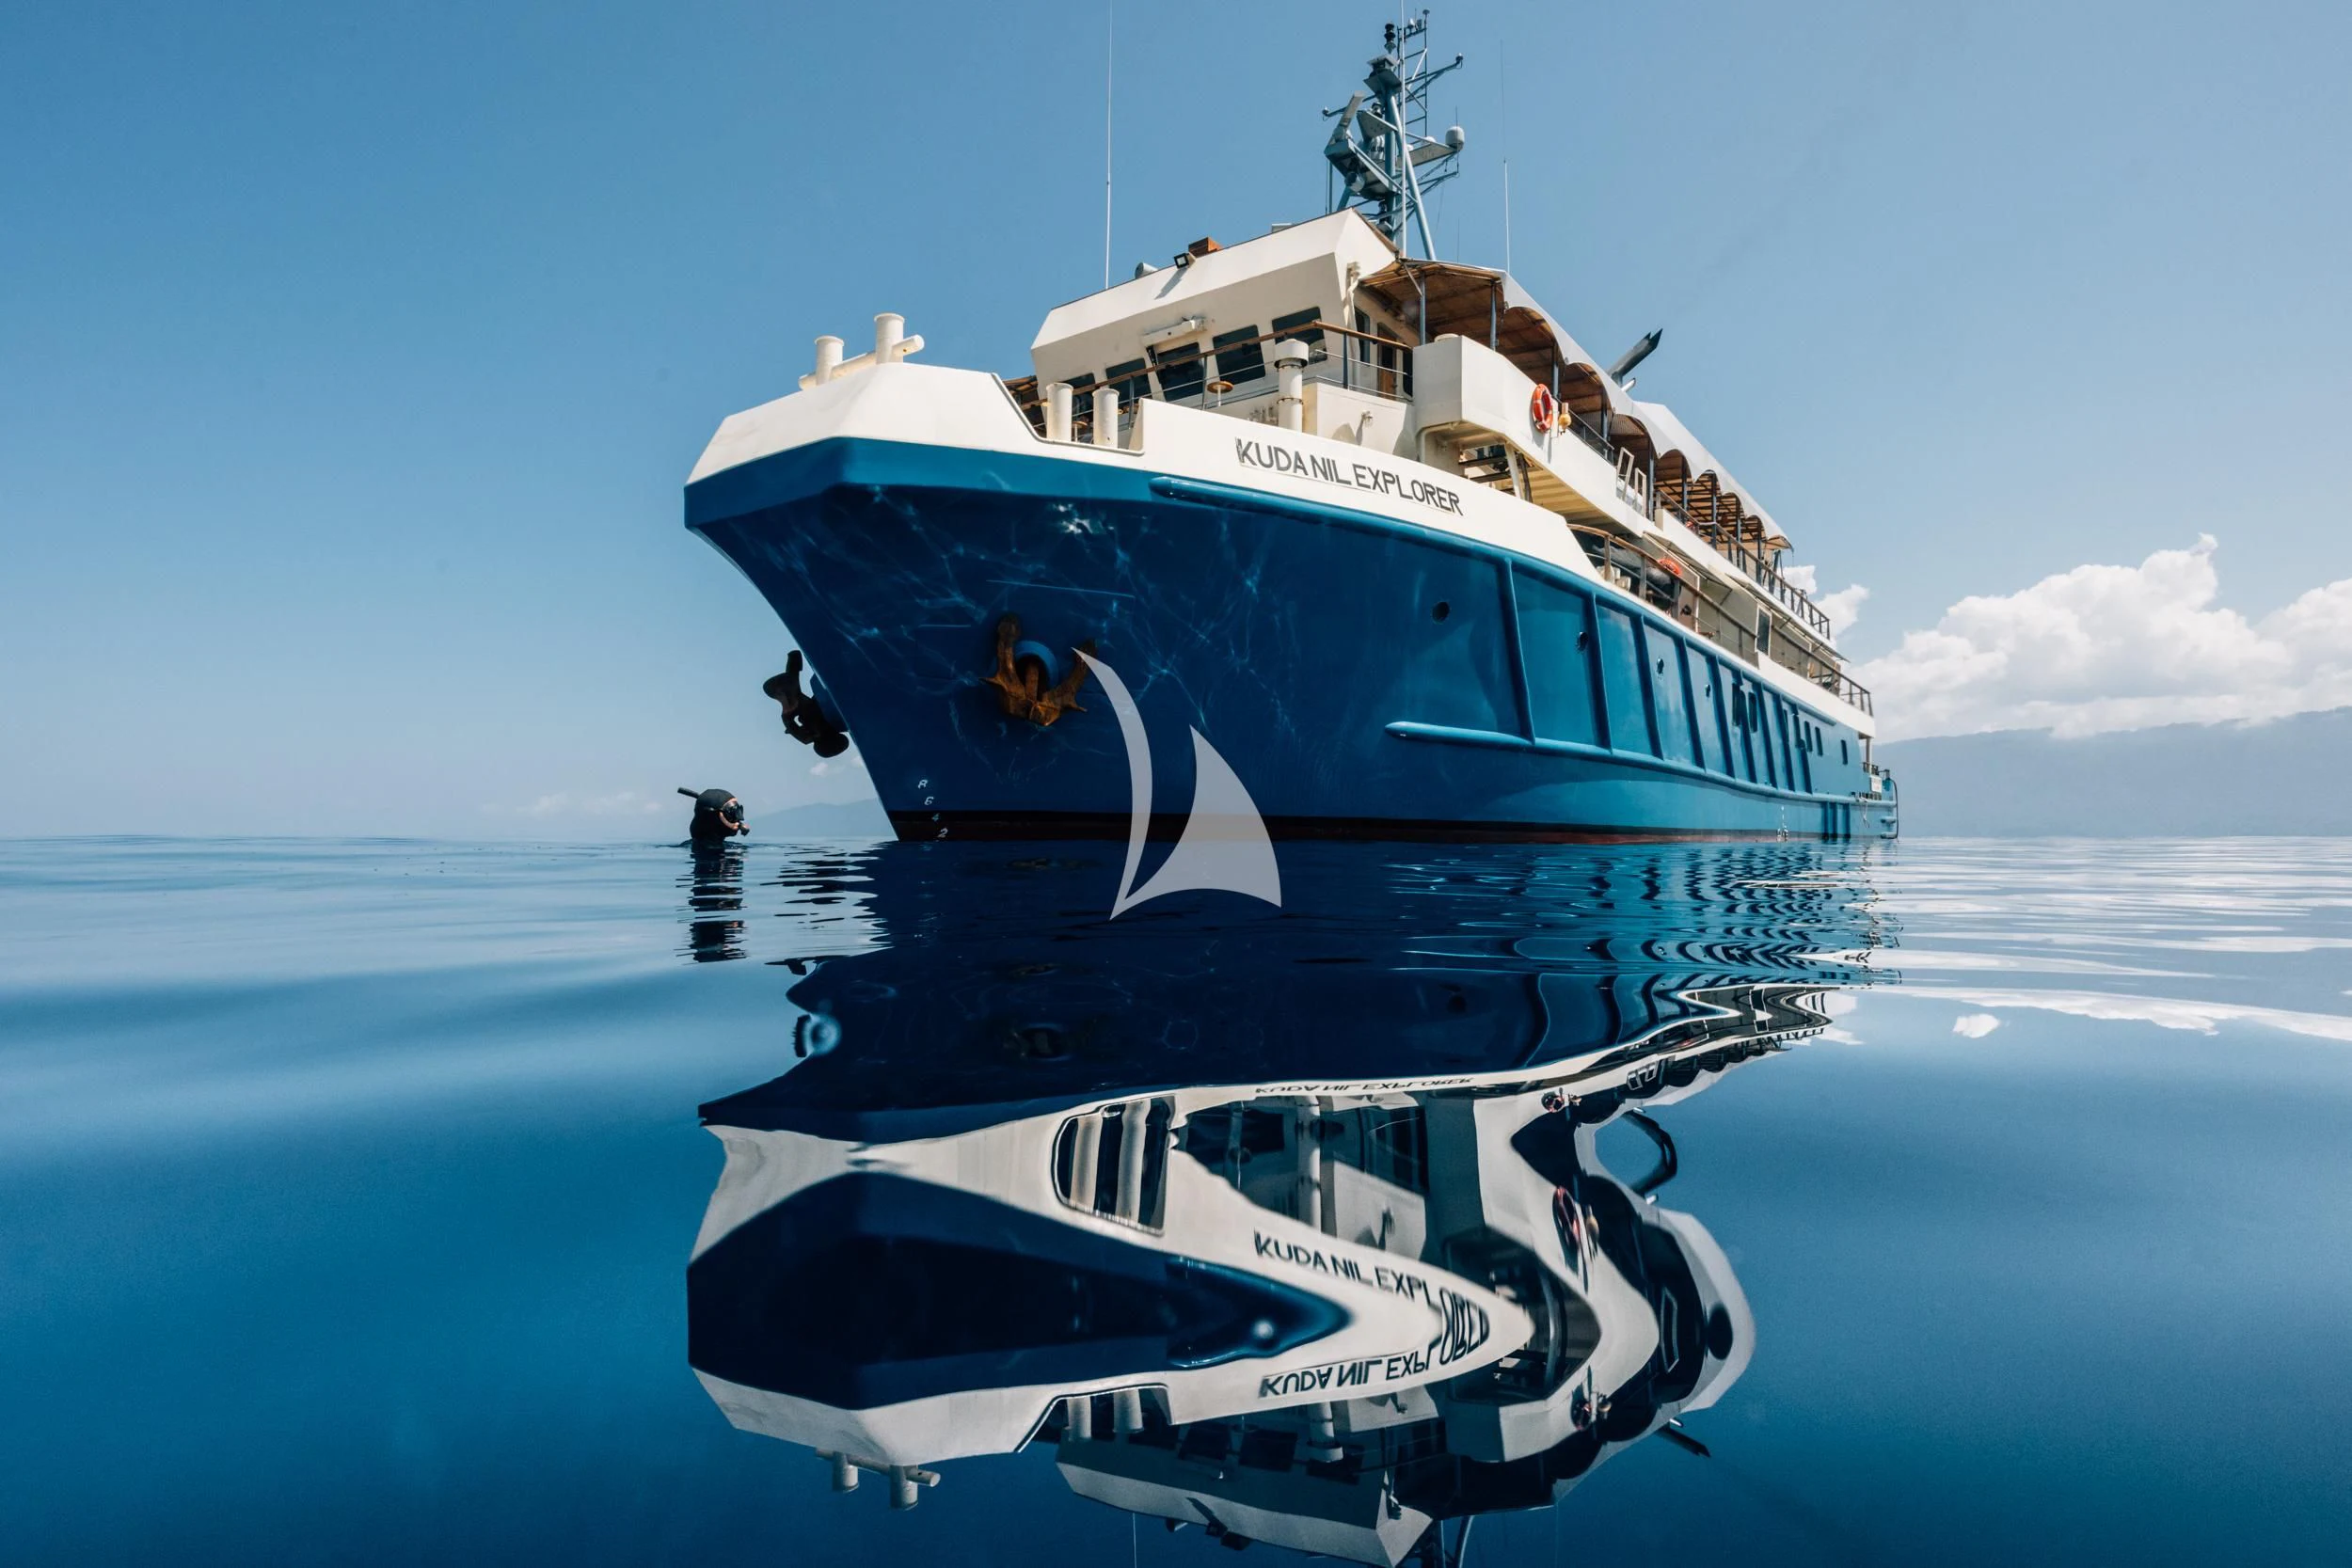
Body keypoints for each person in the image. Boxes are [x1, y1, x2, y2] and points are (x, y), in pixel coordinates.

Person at [679, 787, 748, 844]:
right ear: (712, 818)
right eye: (732, 812)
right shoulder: (705, 856)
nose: (738, 820)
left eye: (738, 810)